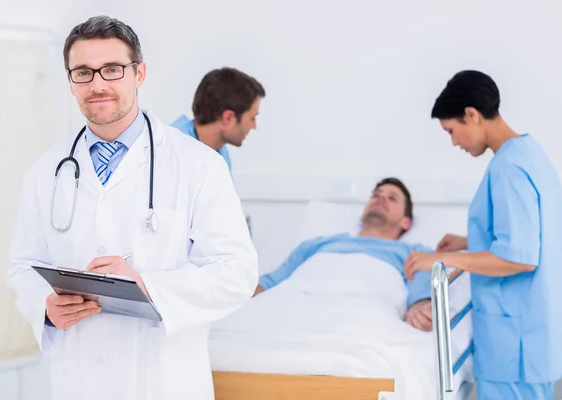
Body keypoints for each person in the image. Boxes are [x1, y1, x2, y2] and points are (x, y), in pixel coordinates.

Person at [6, 16, 258, 400]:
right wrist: (45, 308)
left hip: (163, 380)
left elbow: (236, 272)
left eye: (112, 69)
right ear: (70, 82)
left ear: (139, 73)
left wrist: (149, 287)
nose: (98, 85)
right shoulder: (45, 171)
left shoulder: (199, 165)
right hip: (79, 380)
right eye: (83, 73)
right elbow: (23, 265)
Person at [404, 70, 562, 400]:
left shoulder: (508, 169)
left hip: (514, 345)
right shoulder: (529, 154)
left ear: (472, 115)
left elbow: (519, 257)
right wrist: (468, 240)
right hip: (530, 336)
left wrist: (444, 258)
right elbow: (535, 231)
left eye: (452, 131)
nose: (454, 142)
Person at [254, 177, 436, 332]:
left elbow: (420, 302)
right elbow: (269, 284)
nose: (381, 199)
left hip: (363, 314)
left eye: (392, 198)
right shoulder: (316, 244)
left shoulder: (415, 254)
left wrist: (419, 312)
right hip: (290, 309)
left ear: (406, 222)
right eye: (376, 195)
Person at [170, 67, 265, 174]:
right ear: (228, 117)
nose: (254, 126)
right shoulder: (171, 148)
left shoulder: (221, 155)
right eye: (252, 118)